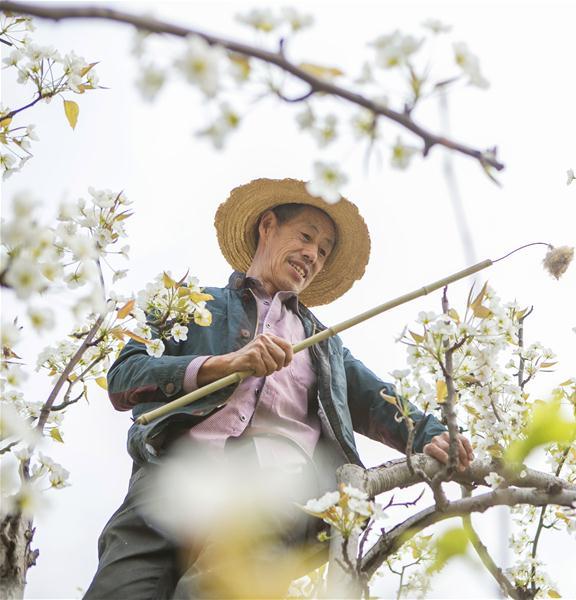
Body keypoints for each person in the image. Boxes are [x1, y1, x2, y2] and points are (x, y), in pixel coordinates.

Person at [84, 178, 474, 599]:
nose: (313, 255)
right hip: (169, 480)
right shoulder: (189, 302)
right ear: (267, 226)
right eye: (306, 237)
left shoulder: (324, 347)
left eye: (323, 252)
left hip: (274, 484)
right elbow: (125, 377)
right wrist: (223, 364)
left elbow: (378, 401)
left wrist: (435, 436)